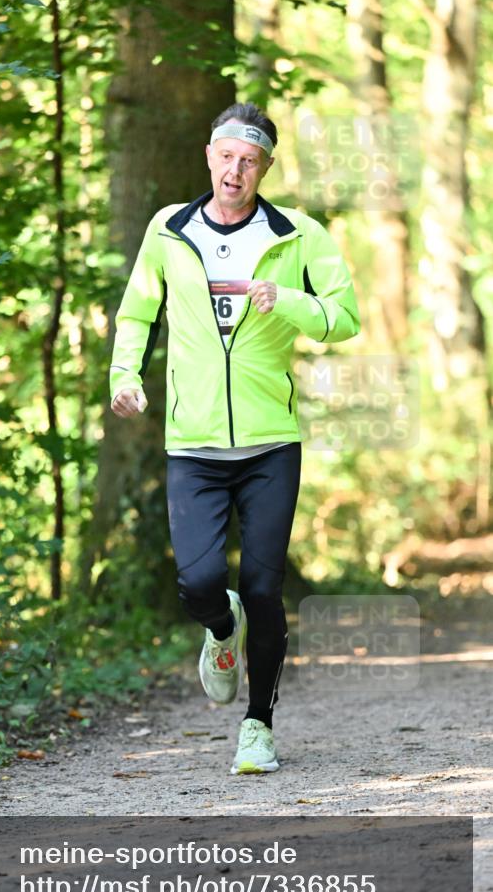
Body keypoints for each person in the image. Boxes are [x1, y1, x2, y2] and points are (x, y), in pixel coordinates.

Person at [109, 102, 361, 774]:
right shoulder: (169, 228)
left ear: (265, 168)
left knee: (262, 586)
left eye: (249, 160)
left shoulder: (296, 233)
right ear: (208, 155)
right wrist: (123, 376)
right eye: (226, 155)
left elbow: (344, 316)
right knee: (197, 582)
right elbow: (138, 310)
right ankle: (219, 633)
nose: (235, 169)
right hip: (192, 443)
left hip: (270, 443)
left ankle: (258, 726)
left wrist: (292, 300)